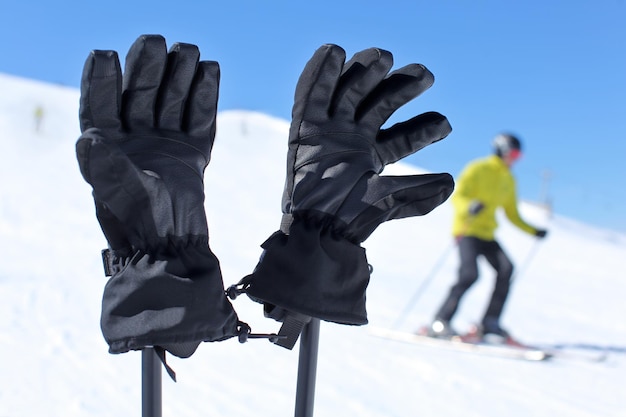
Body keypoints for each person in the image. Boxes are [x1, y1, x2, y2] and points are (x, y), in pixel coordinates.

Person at [428, 133, 547, 341]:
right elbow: (459, 195)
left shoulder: (509, 179)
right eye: (514, 154)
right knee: (469, 275)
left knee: (506, 269)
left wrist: (533, 231)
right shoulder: (479, 168)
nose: (515, 159)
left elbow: (512, 213)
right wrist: (469, 206)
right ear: (502, 150)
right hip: (467, 230)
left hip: (487, 234)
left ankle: (490, 323)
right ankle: (441, 321)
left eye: (519, 156)